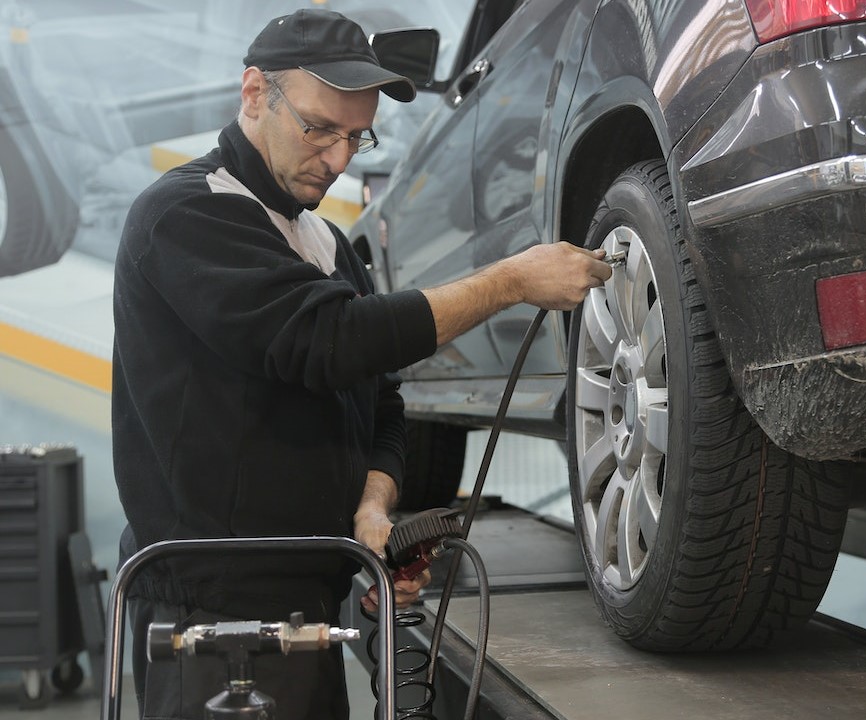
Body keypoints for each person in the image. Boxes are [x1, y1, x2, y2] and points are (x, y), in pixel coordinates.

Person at [111, 8, 610, 719]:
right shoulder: (187, 213)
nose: (340, 160)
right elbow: (324, 341)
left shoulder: (325, 243)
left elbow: (380, 400)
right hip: (213, 611)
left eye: (356, 136)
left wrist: (371, 511)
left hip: (307, 597)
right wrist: (509, 281)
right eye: (319, 128)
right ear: (255, 93)